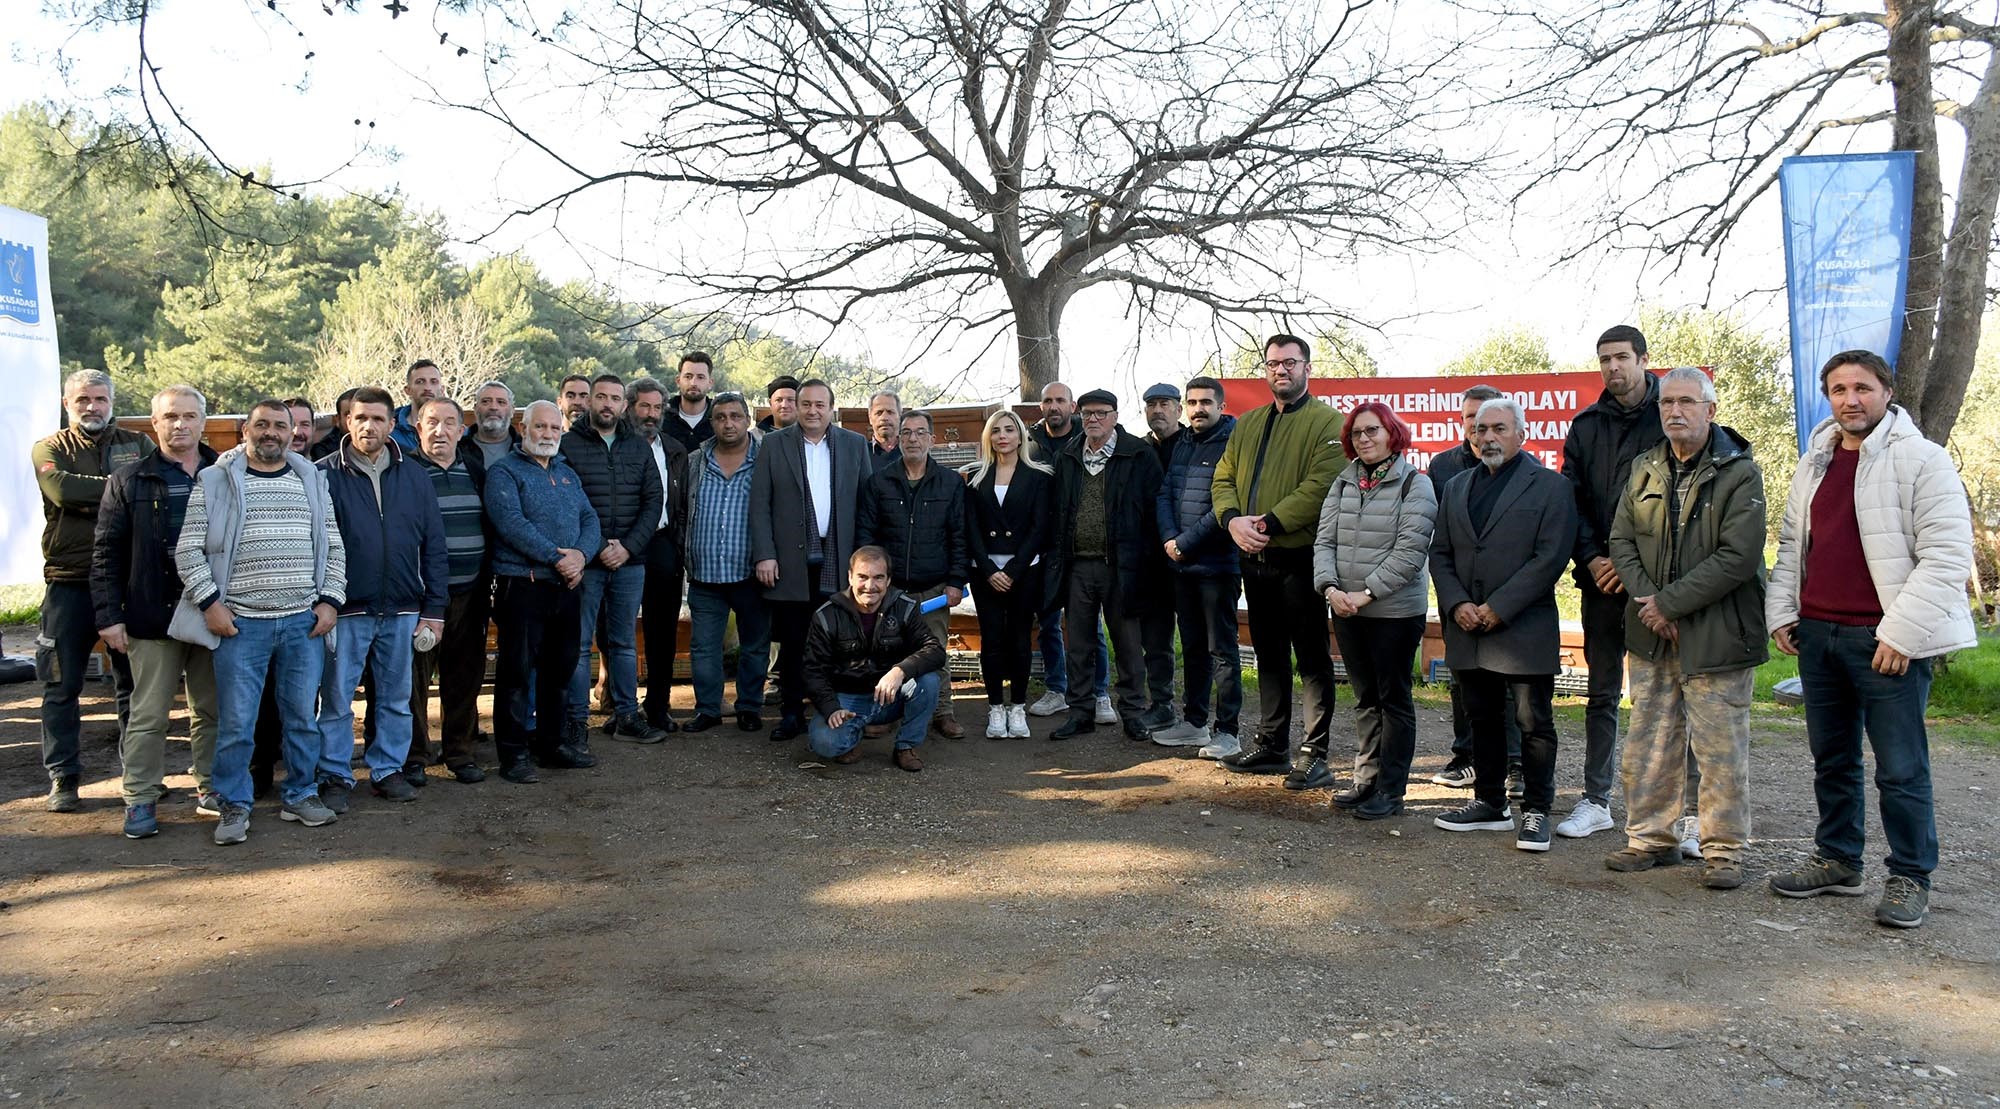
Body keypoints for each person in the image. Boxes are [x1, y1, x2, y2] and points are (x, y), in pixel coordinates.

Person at [1765, 350, 1977, 929]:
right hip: (1819, 636)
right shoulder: (1816, 462)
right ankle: (1838, 859)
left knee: (1900, 768)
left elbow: (1947, 557)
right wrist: (1784, 613)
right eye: (1837, 389)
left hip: (1885, 643)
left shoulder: (1923, 460)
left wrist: (1901, 634)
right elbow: (1791, 548)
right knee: (1831, 760)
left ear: (1886, 391)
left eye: (1861, 387)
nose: (1849, 399)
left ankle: (1910, 875)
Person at [1602, 367, 1766, 889]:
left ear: (1710, 410)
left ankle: (1724, 851)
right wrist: (1652, 603)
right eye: (1667, 402)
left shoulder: (1740, 471)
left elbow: (1739, 557)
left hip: (1718, 634)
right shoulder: (1645, 468)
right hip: (1651, 631)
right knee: (1650, 741)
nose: (1675, 411)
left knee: (1720, 749)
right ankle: (1650, 839)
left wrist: (1669, 604)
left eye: (1687, 402)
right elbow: (1621, 541)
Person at [174, 400, 346, 844]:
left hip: (301, 624)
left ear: (293, 433)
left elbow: (334, 547)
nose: (271, 433)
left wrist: (329, 602)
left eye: (279, 426)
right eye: (262, 425)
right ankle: (233, 804)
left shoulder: (311, 479)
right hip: (239, 625)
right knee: (237, 722)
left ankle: (301, 794)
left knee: (302, 719)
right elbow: (189, 550)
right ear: (244, 431)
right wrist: (211, 604)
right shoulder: (214, 481)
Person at [1429, 397, 1578, 852]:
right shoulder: (1456, 486)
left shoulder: (1551, 487)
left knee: (1533, 723)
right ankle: (1491, 803)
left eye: (1497, 428)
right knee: (1482, 719)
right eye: (1479, 429)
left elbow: (1549, 557)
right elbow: (1441, 553)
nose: (1487, 437)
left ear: (1521, 434)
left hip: (1522, 627)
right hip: (1467, 628)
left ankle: (1535, 810)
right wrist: (1456, 604)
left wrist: (1498, 607)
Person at [1209, 335, 1344, 789]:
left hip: (1299, 557)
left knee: (1311, 657)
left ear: (1307, 367)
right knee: (1267, 654)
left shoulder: (1329, 423)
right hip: (1253, 557)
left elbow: (1319, 487)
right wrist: (1231, 521)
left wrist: (1263, 523)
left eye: (1289, 362)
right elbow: (1223, 476)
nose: (1280, 370)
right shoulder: (1247, 424)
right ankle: (1272, 745)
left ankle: (1315, 753)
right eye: (1272, 364)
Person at [91, 385, 219, 838]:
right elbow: (105, 553)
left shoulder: (225, 474)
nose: (180, 424)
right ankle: (140, 798)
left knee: (212, 710)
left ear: (203, 421)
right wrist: (109, 617)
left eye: (189, 416)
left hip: (213, 614)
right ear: (154, 423)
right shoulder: (129, 480)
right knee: (148, 714)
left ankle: (211, 789)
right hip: (152, 614)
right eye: (170, 417)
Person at [314, 386, 448, 809]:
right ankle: (335, 774)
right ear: (346, 422)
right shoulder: (322, 474)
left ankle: (388, 769)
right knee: (336, 701)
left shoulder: (415, 475)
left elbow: (435, 545)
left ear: (394, 424)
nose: (368, 426)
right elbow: (314, 545)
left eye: (377, 418)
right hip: (344, 609)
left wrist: (435, 609)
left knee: (394, 698)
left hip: (404, 608)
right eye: (360, 418)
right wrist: (324, 603)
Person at [1556, 324, 1665, 841]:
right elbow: (1570, 503)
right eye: (1604, 360)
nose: (1613, 368)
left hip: (1657, 587)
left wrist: (1632, 567)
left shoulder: (1670, 416)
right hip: (1599, 581)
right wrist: (1593, 559)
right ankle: (1596, 800)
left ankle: (1668, 810)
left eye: (1622, 358)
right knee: (1601, 694)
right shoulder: (1585, 426)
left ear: (1644, 359)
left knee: (1661, 696)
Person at [1312, 402, 1437, 820]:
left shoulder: (1414, 485)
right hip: (1346, 610)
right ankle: (1365, 780)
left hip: (1394, 613)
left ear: (1392, 433)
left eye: (1373, 431)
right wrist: (1330, 589)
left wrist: (1364, 594)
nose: (1364, 439)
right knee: (1365, 698)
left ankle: (1392, 789)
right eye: (1357, 433)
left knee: (1393, 699)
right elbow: (1323, 541)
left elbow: (1410, 552)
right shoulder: (1344, 483)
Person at [34, 368, 146, 812]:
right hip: (69, 581)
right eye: (82, 400)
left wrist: (101, 492)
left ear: (111, 402)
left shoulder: (137, 444)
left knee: (131, 685)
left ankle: (136, 776)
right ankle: (63, 776)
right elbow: (61, 491)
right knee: (60, 683)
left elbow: (149, 486)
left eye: (99, 399)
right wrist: (122, 489)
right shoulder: (50, 448)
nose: (91, 407)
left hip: (125, 581)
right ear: (68, 403)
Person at [484, 400, 601, 782]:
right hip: (524, 586)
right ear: (523, 428)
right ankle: (514, 754)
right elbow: (511, 524)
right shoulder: (504, 472)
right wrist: (556, 557)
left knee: (560, 669)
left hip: (567, 587)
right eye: (540, 427)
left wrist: (582, 556)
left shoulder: (567, 473)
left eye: (554, 428)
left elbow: (589, 518)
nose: (548, 434)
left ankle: (552, 744)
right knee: (516, 674)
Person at [751, 378, 870, 740]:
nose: (813, 411)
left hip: (841, 559)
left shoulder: (854, 445)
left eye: (821, 405)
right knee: (792, 643)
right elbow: (760, 505)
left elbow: (866, 504)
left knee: (837, 643)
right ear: (796, 407)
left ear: (832, 409)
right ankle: (790, 714)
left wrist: (864, 562)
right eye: (807, 404)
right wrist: (765, 555)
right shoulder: (773, 444)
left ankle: (832, 713)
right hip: (790, 561)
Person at [1046, 389, 1166, 740]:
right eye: (1086, 413)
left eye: (1100, 413)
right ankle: (1080, 712)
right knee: (1079, 644)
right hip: (1078, 566)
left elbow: (1153, 513)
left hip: (1123, 566)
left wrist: (1145, 562)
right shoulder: (1068, 455)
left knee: (1129, 644)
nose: (1093, 419)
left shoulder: (1138, 454)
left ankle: (1132, 712)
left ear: (1114, 415)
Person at [560, 373, 667, 744]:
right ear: (589, 401)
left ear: (624, 405)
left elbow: (655, 501)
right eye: (600, 397)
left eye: (615, 398)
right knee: (577, 642)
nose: (607, 404)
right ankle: (575, 721)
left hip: (629, 563)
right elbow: (565, 504)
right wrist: (596, 546)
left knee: (623, 642)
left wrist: (628, 547)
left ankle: (626, 716)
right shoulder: (567, 446)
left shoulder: (638, 447)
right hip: (584, 564)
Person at [1426, 383, 1520, 793]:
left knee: (1511, 683)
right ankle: (1466, 757)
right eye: (1470, 419)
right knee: (1462, 679)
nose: (1480, 430)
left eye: (1489, 421)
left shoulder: (1525, 474)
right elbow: (1439, 538)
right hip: (1458, 594)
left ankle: (1515, 763)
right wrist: (1455, 597)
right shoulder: (1443, 467)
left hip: (1506, 597)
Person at [858, 408, 969, 738]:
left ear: (932, 439)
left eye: (921, 433)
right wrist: (872, 582)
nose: (913, 439)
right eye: (906, 433)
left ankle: (942, 711)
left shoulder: (950, 483)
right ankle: (889, 713)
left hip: (933, 588)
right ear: (897, 438)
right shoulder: (879, 482)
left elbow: (959, 536)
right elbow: (867, 535)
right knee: (888, 653)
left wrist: (956, 582)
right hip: (892, 589)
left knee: (934, 651)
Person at [1153, 377, 1242, 759]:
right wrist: (1170, 539)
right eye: (1192, 402)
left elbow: (1227, 504)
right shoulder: (1185, 442)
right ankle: (1194, 722)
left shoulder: (1234, 442)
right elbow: (1166, 493)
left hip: (1217, 565)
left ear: (1220, 406)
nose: (1198, 409)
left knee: (1221, 650)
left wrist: (1185, 543)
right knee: (1191, 648)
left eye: (1206, 402)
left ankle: (1228, 731)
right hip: (1181, 565)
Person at [803, 546, 947, 772]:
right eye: (862, 577)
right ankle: (851, 738)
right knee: (825, 743)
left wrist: (899, 671)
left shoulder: (905, 608)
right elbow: (813, 671)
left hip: (888, 696)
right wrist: (831, 708)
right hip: (846, 698)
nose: (870, 586)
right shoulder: (826, 615)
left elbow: (935, 650)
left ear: (888, 580)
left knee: (928, 681)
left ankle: (906, 746)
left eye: (878, 577)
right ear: (850, 577)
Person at [410, 397, 493, 784]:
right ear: (417, 426)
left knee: (464, 676)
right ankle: (413, 756)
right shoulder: (405, 473)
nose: (440, 431)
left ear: (462, 430)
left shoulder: (475, 471)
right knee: (413, 681)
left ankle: (459, 752)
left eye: (449, 423)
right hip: (420, 597)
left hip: (470, 593)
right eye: (431, 422)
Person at [682, 393, 772, 732]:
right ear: (712, 421)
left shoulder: (766, 457)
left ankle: (749, 706)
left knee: (755, 645)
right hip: (705, 572)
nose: (728, 423)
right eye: (721, 417)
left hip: (752, 572)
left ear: (747, 419)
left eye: (735, 416)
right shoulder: (695, 462)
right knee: (704, 648)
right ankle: (707, 709)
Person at [963, 409, 1052, 739]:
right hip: (984, 572)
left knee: (1019, 640)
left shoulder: (1039, 476)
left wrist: (1012, 570)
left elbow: (1039, 527)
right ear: (988, 437)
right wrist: (989, 569)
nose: (1002, 435)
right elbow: (969, 529)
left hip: (1023, 571)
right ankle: (995, 709)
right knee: (992, 640)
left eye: (1009, 430)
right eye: (996, 430)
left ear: (1020, 436)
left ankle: (1017, 708)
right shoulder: (974, 476)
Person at [1024, 381, 1110, 722]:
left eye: (1060, 400)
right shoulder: (1030, 442)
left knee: (1090, 627)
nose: (1054, 406)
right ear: (1041, 407)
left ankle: (1099, 692)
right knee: (1048, 622)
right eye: (1048, 401)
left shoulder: (1085, 439)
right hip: (1042, 546)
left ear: (1072, 407)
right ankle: (1056, 689)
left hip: (1078, 547)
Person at [627, 376, 691, 730]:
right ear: (630, 407)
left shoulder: (673, 448)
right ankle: (622, 705)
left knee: (662, 629)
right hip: (621, 546)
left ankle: (657, 705)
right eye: (644, 406)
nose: (650, 414)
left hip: (663, 542)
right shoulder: (618, 444)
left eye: (656, 407)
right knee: (617, 629)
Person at [1134, 382, 1184, 734]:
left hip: (1195, 554)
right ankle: (1162, 703)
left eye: (1164, 404)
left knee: (1204, 641)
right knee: (1155, 639)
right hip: (1152, 560)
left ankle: (1201, 711)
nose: (1157, 410)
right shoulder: (1140, 449)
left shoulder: (1194, 444)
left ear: (1179, 409)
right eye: (1151, 404)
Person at [661, 351, 717, 454]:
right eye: (688, 376)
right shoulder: (662, 415)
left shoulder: (719, 416)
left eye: (700, 377)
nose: (693, 383)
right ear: (678, 381)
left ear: (710, 383)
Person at [463, 380, 521, 476]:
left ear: (512, 411)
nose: (493, 407)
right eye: (486, 401)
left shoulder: (523, 448)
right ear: (475, 409)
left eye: (501, 402)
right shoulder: (459, 448)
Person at [391, 358, 442, 454]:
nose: (428, 388)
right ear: (408, 390)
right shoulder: (390, 429)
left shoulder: (455, 431)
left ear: (442, 389)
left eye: (434, 382)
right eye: (420, 382)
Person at [308, 387, 358, 462]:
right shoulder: (323, 451)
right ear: (337, 420)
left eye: (362, 416)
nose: (356, 421)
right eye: (348, 415)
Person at [866, 390, 902, 468]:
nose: (884, 418)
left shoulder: (911, 451)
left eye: (890, 412)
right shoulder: (860, 454)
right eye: (879, 413)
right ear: (870, 418)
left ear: (899, 416)